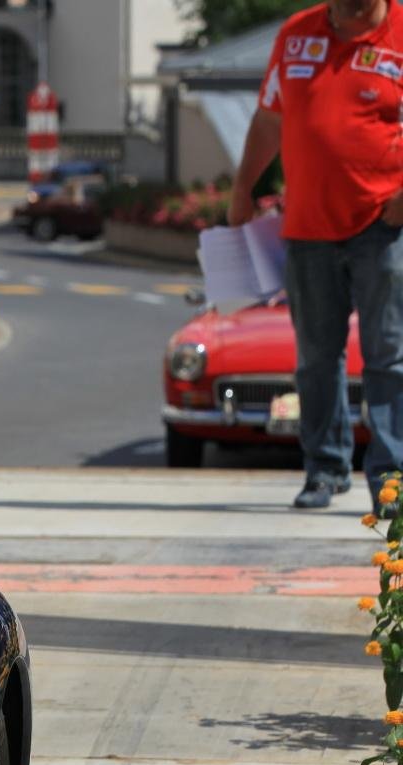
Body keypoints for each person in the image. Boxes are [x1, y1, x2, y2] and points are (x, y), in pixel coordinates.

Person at [230, 0, 403, 509]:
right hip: (308, 227)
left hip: (383, 226)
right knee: (316, 359)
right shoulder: (296, 33)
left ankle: (391, 483)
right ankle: (325, 470)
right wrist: (243, 188)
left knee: (390, 357)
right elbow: (269, 119)